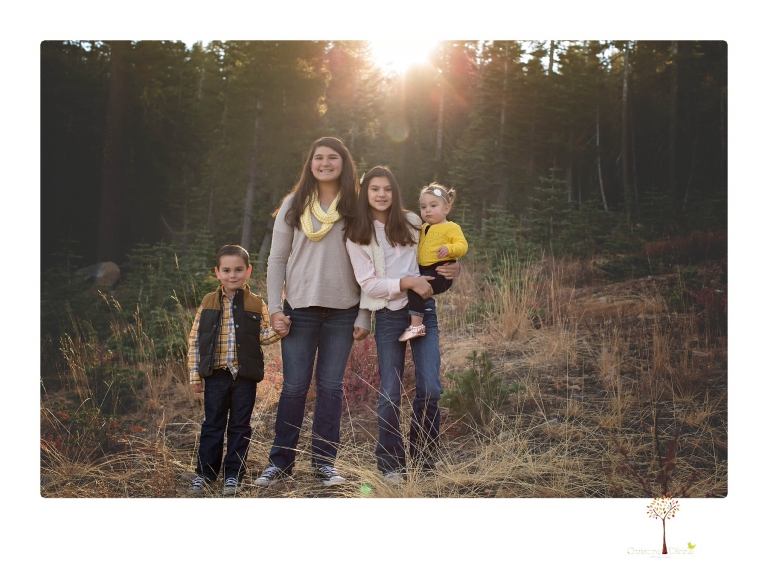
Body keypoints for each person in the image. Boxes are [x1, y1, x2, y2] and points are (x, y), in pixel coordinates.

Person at [254, 136, 371, 487]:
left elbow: (370, 261)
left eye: (332, 157)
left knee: (331, 387)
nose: (324, 163)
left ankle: (324, 464)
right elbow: (276, 259)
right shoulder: (295, 203)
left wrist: (365, 313)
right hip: (299, 310)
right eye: (318, 157)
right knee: (293, 388)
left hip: (343, 312)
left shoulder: (356, 204)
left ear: (343, 163)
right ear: (310, 163)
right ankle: (280, 463)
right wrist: (275, 309)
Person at [344, 166, 460, 481]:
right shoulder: (357, 234)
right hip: (389, 315)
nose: (381, 194)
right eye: (374, 189)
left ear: (395, 193)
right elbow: (369, 284)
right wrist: (408, 281)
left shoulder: (412, 222)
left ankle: (424, 456)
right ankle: (390, 462)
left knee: (431, 387)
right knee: (390, 392)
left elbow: (436, 252)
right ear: (365, 193)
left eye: (387, 189)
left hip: (424, 311)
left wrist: (452, 267)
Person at [187, 244, 280, 496]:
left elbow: (263, 336)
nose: (232, 275)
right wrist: (195, 375)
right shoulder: (207, 302)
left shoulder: (255, 302)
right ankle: (205, 474)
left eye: (238, 270)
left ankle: (233, 475)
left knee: (240, 426)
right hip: (216, 375)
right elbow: (195, 339)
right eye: (226, 270)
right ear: (217, 272)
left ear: (248, 271)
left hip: (244, 377)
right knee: (212, 425)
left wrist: (279, 330)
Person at [400, 183, 468, 342]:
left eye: (433, 205)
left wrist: (450, 249)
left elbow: (463, 245)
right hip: (425, 270)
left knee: (416, 288)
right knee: (416, 287)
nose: (427, 210)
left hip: (439, 271)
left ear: (446, 209)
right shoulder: (423, 228)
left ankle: (416, 327)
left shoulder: (451, 227)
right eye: (423, 207)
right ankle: (417, 323)